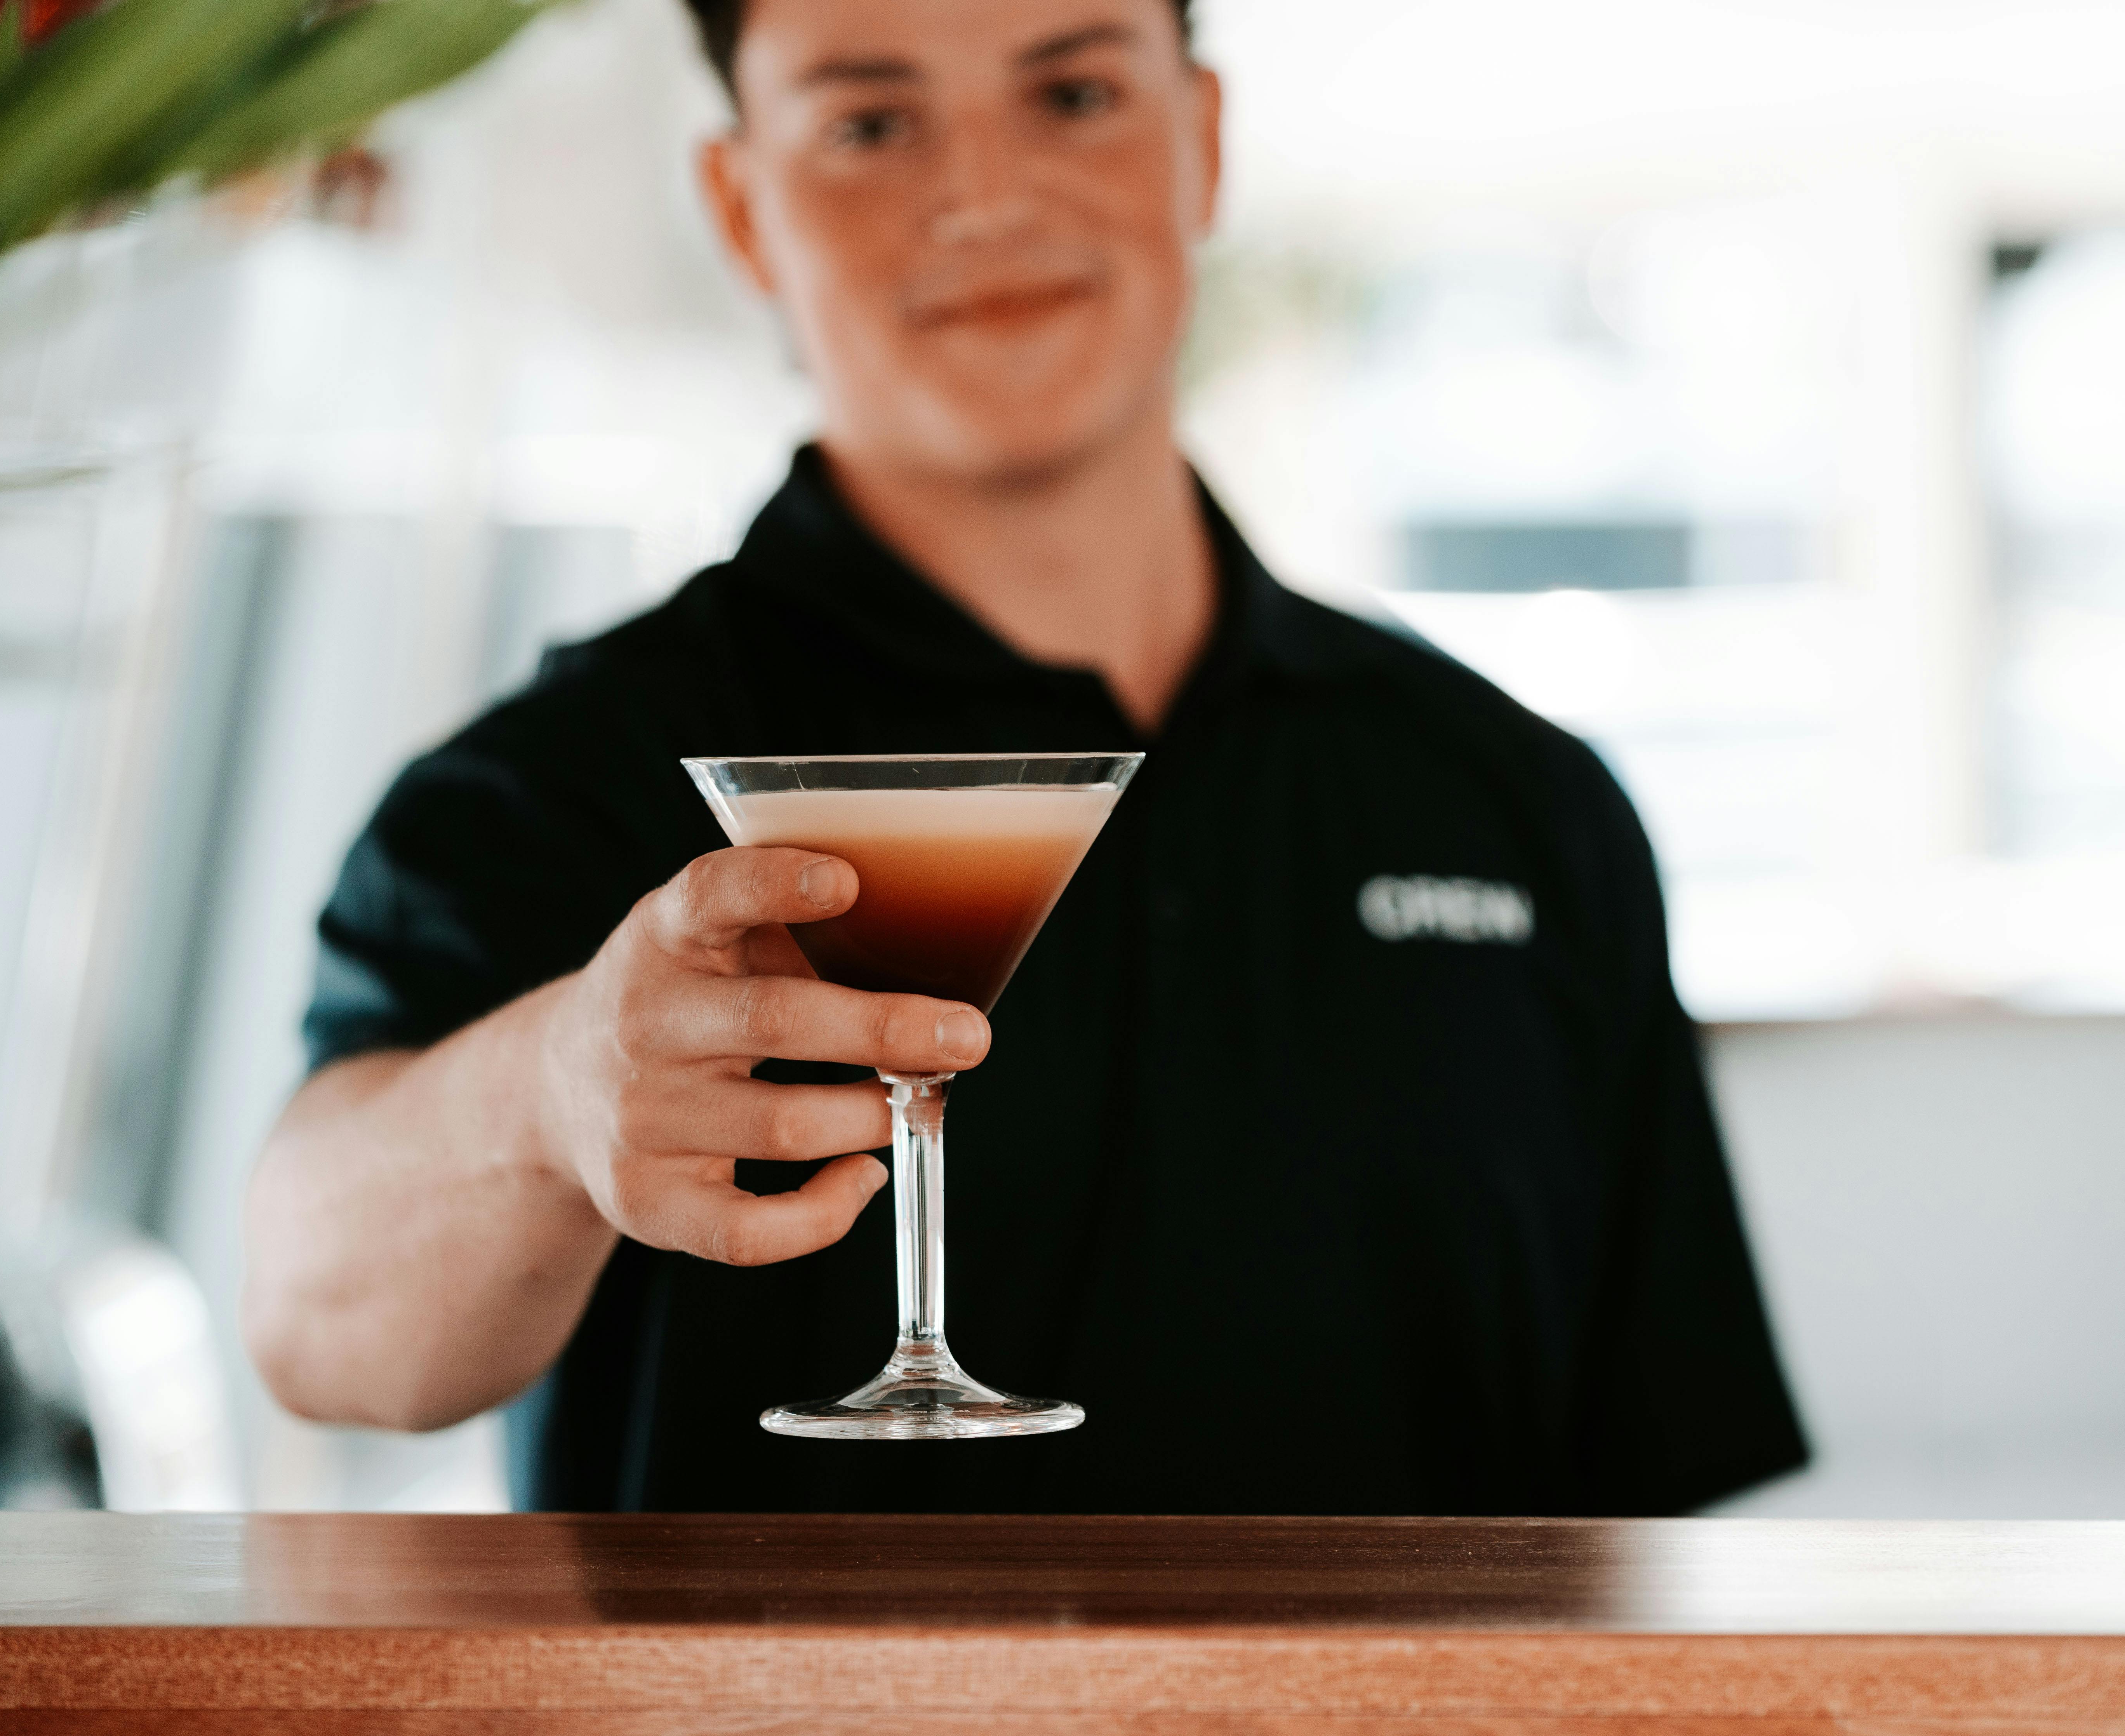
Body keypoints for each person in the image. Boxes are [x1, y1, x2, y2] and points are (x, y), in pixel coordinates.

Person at [242, 0, 1808, 1515]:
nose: (983, 196)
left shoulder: (1520, 801)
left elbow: (1646, 1516)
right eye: (871, 122)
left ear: (1199, 140)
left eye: (1070, 95)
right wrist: (546, 1095)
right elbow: (314, 1318)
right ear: (741, 205)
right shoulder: (564, 782)